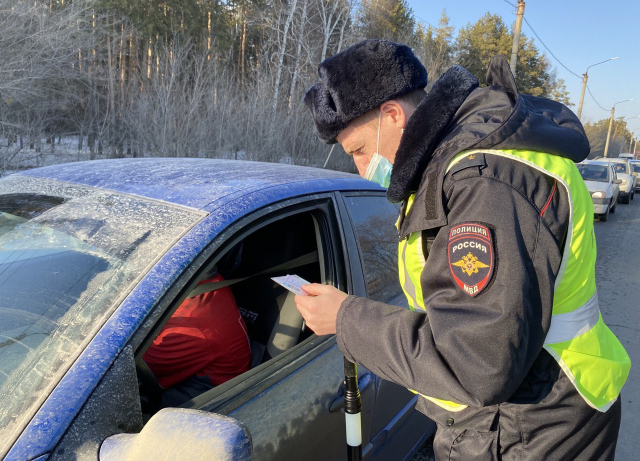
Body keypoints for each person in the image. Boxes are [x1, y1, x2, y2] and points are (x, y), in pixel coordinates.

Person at [296, 39, 630, 460]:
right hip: (536, 413)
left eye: (359, 151)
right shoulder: (458, 163)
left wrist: (345, 318)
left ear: (393, 115)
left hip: (531, 429)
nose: (362, 170)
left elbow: (475, 362)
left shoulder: (485, 181)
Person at [143, 269, 251, 406]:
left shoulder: (188, 324)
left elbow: (136, 371)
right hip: (211, 367)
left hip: (212, 394)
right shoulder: (207, 279)